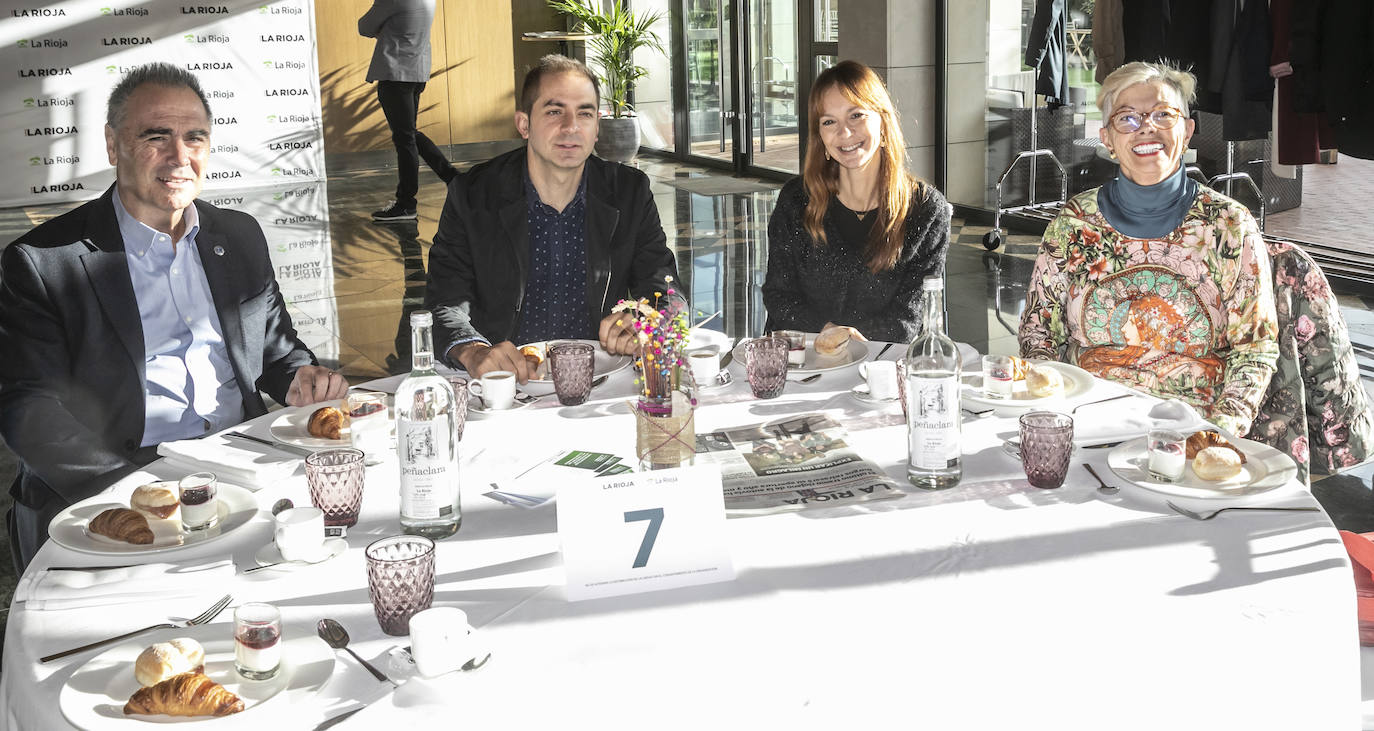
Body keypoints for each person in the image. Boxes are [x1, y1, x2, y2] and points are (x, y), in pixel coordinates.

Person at [0, 63, 347, 570]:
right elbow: (28, 409)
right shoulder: (44, 261)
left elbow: (278, 349)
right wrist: (132, 489)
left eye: (195, 138)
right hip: (120, 479)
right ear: (113, 145)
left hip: (240, 463)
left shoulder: (240, 236)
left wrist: (300, 376)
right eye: (156, 136)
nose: (179, 157)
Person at [1018, 61, 1278, 436]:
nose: (1147, 128)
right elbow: (1038, 333)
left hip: (1192, 427)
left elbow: (1254, 350)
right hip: (1087, 419)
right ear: (1106, 138)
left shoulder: (1228, 226)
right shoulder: (1074, 223)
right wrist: (1048, 408)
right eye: (1127, 119)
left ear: (1187, 132)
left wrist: (1218, 432)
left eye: (1162, 115)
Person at [425, 54, 678, 382]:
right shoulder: (473, 195)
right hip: (505, 381)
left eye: (584, 113)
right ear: (524, 124)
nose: (571, 126)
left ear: (596, 127)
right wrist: (474, 351)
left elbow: (666, 288)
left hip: (599, 378)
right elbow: (443, 301)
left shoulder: (629, 192)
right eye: (555, 111)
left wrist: (645, 317)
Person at [762, 59, 951, 343]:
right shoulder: (796, 200)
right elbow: (779, 296)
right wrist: (828, 333)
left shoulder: (926, 211)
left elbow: (911, 317)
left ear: (883, 124)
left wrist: (854, 344)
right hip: (805, 361)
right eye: (829, 122)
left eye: (856, 115)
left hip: (882, 366)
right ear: (820, 138)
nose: (844, 133)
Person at [359, 0, 458, 222]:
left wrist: (384, 29)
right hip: (416, 72)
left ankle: (406, 204)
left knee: (405, 138)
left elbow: (364, 27)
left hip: (395, 75)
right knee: (409, 134)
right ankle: (453, 178)